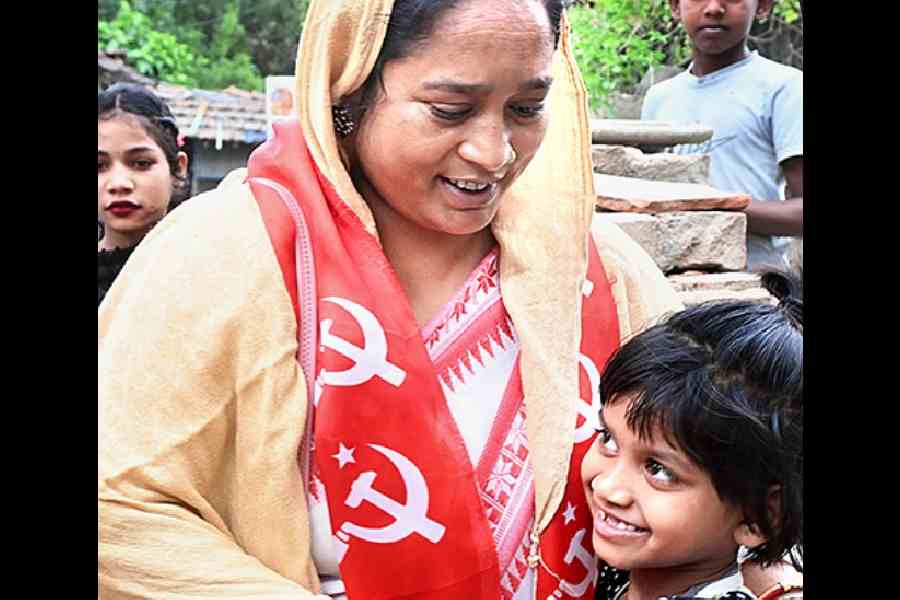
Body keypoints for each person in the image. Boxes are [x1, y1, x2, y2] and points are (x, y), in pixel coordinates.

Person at [101, 1, 728, 598]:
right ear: (349, 91)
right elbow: (119, 508)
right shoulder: (225, 253)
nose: (494, 152)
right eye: (450, 110)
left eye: (527, 108)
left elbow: (725, 470)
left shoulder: (599, 270)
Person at [583, 270, 803, 600]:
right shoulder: (613, 572)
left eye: (659, 470)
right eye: (608, 439)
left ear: (760, 517)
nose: (607, 488)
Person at [640, 0, 803, 271]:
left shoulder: (785, 88)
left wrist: (710, 208)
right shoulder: (659, 98)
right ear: (675, 6)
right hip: (669, 275)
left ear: (763, 7)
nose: (714, 8)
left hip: (753, 280)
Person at [98, 83, 188, 305]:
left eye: (141, 163)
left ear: (178, 168)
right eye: (99, 166)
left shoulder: (206, 268)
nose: (119, 184)